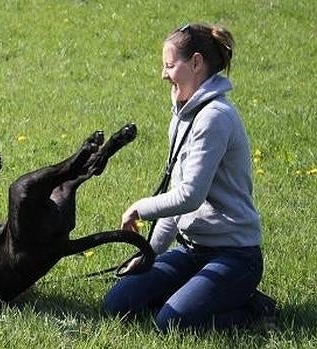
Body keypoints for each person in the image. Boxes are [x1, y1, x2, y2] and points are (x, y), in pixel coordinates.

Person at [103, 23, 276, 332]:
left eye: (169, 65)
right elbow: (178, 195)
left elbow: (190, 196)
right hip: (190, 249)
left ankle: (254, 309)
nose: (163, 74)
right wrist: (149, 255)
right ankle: (199, 294)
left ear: (196, 63)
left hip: (235, 256)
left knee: (172, 323)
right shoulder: (182, 115)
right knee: (117, 304)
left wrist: (139, 207)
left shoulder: (215, 118)